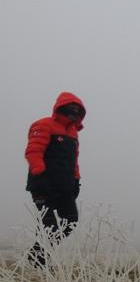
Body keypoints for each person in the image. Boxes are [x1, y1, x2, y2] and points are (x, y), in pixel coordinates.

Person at [24, 91, 86, 266]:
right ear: (61, 108)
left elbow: (74, 160)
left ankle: (37, 254)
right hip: (43, 184)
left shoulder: (73, 133)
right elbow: (33, 151)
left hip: (65, 186)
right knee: (48, 224)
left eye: (77, 110)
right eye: (70, 108)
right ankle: (39, 261)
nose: (74, 112)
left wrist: (76, 180)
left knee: (71, 221)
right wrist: (39, 173)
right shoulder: (43, 125)